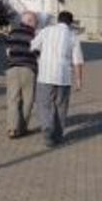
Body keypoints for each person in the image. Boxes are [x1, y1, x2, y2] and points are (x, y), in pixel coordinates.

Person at [30, 10, 84, 147]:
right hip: (64, 77)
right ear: (70, 23)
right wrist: (78, 80)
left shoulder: (46, 31)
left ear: (58, 20)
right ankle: (58, 135)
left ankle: (47, 127)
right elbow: (77, 61)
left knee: (44, 104)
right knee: (61, 106)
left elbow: (32, 46)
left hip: (45, 75)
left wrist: (39, 57)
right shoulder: (73, 36)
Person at [4, 11, 40, 138]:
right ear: (30, 21)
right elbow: (38, 54)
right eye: (36, 22)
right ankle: (22, 128)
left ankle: (12, 129)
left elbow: (8, 52)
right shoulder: (34, 35)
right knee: (28, 100)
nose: (36, 24)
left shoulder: (12, 32)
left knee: (12, 99)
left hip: (12, 69)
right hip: (28, 69)